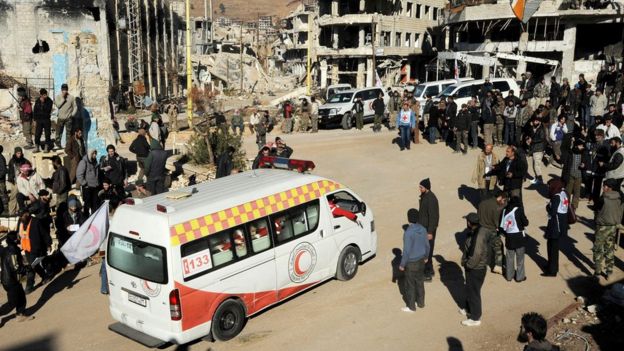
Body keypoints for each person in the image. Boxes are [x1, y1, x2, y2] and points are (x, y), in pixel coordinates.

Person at [460, 212, 488, 327]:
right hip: (477, 267)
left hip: (476, 268)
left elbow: (476, 255)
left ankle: (475, 317)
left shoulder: (478, 236)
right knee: (471, 290)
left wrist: (467, 265)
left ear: (469, 223)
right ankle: (469, 309)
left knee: (474, 292)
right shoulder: (478, 231)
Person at [399, 208, 429, 313]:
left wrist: (402, 264)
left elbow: (406, 251)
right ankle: (421, 303)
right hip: (421, 261)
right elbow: (427, 245)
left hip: (411, 263)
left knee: (410, 285)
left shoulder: (408, 233)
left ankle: (411, 307)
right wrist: (426, 257)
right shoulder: (423, 229)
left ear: (408, 219)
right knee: (420, 282)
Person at [592, 178, 624, 279]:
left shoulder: (603, 198)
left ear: (610, 188)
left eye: (604, 186)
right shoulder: (621, 197)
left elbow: (596, 208)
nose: (603, 187)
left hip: (602, 227)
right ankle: (609, 271)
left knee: (598, 249)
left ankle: (597, 271)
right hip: (613, 227)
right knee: (609, 249)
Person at [0, 231, 35, 322]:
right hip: (10, 280)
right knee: (12, 303)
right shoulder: (12, 251)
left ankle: (20, 314)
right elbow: (15, 267)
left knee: (21, 297)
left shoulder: (8, 249)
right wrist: (27, 268)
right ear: (15, 240)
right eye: (18, 237)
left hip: (12, 279)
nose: (19, 238)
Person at [543, 178, 569, 277]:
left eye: (550, 186)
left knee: (552, 248)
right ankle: (551, 266)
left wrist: (548, 207)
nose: (549, 187)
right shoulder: (563, 193)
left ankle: (552, 270)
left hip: (555, 225)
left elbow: (553, 211)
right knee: (553, 247)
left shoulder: (556, 197)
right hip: (561, 224)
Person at [478, 190, 508, 274]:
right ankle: (498, 266)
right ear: (500, 197)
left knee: (482, 246)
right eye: (504, 199)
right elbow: (496, 221)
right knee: (498, 247)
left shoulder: (482, 203)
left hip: (482, 228)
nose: (504, 201)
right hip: (492, 229)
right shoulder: (497, 207)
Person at [500, 196, 529, 282]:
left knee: (509, 258)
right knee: (520, 259)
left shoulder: (505, 210)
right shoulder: (519, 210)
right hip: (519, 237)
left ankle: (509, 276)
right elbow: (526, 223)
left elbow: (501, 225)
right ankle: (519, 277)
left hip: (509, 237)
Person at [418, 178, 439, 282]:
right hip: (424, 229)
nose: (419, 189)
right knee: (428, 251)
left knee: (427, 252)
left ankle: (427, 274)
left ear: (426, 188)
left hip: (428, 230)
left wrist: (430, 232)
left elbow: (434, 217)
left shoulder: (431, 199)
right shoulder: (425, 196)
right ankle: (430, 270)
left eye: (421, 187)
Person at [562, 139, 589, 210]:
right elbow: (566, 165)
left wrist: (584, 165)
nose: (582, 147)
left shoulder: (584, 154)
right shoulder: (570, 153)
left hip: (579, 176)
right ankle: (565, 205)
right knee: (568, 191)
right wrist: (563, 177)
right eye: (580, 146)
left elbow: (587, 164)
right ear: (576, 146)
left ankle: (574, 207)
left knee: (577, 192)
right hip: (570, 175)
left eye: (582, 146)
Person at [76, 149, 100, 216]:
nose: (95, 155)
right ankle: (86, 219)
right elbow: (79, 174)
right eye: (93, 153)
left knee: (95, 205)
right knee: (87, 205)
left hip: (95, 186)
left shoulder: (95, 161)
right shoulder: (83, 162)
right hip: (87, 187)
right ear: (90, 154)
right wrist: (84, 183)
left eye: (95, 153)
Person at [7, 147, 30, 215]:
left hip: (23, 182)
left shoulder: (25, 161)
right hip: (15, 183)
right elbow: (10, 171)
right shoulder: (12, 161)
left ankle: (21, 213)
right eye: (18, 153)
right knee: (13, 198)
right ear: (15, 153)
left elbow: (29, 170)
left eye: (20, 153)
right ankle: (11, 213)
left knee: (21, 197)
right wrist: (11, 178)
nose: (19, 154)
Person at [526, 117, 546, 184]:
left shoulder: (541, 129)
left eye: (536, 121)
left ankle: (540, 180)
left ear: (539, 122)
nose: (535, 122)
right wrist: (528, 139)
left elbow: (541, 139)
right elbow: (530, 135)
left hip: (539, 149)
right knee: (534, 165)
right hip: (534, 149)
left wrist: (532, 141)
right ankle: (537, 178)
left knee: (537, 165)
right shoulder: (533, 128)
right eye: (534, 121)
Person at [0, 145, 8, 215]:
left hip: (1, 181)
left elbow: (3, 170)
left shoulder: (1, 158)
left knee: (3, 196)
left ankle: (5, 211)